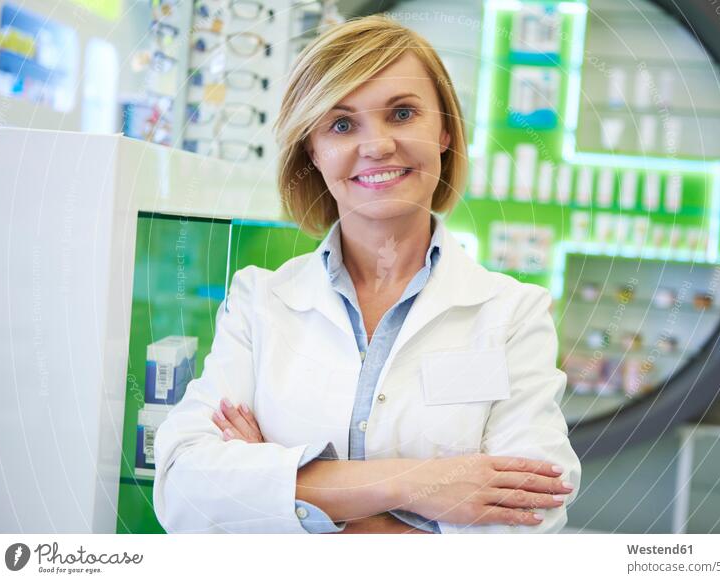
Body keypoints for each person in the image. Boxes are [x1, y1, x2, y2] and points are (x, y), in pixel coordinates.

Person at [153, 14, 580, 534]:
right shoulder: (259, 301)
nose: (377, 145)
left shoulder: (513, 314)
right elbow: (183, 489)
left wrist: (281, 489)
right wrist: (417, 483)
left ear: (444, 130)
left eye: (402, 113)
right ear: (312, 149)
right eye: (341, 124)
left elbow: (529, 519)